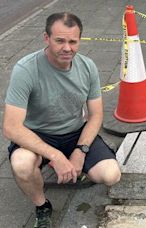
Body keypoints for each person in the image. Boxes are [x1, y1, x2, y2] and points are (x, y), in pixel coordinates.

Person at [2, 12, 121, 228]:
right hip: (37, 135)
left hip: (75, 132)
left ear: (79, 40)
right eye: (60, 40)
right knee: (21, 164)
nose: (67, 48)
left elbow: (96, 116)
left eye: (73, 41)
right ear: (46, 38)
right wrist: (55, 156)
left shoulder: (88, 67)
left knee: (111, 174)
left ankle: (75, 167)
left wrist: (80, 152)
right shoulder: (26, 69)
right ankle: (42, 205)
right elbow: (11, 128)